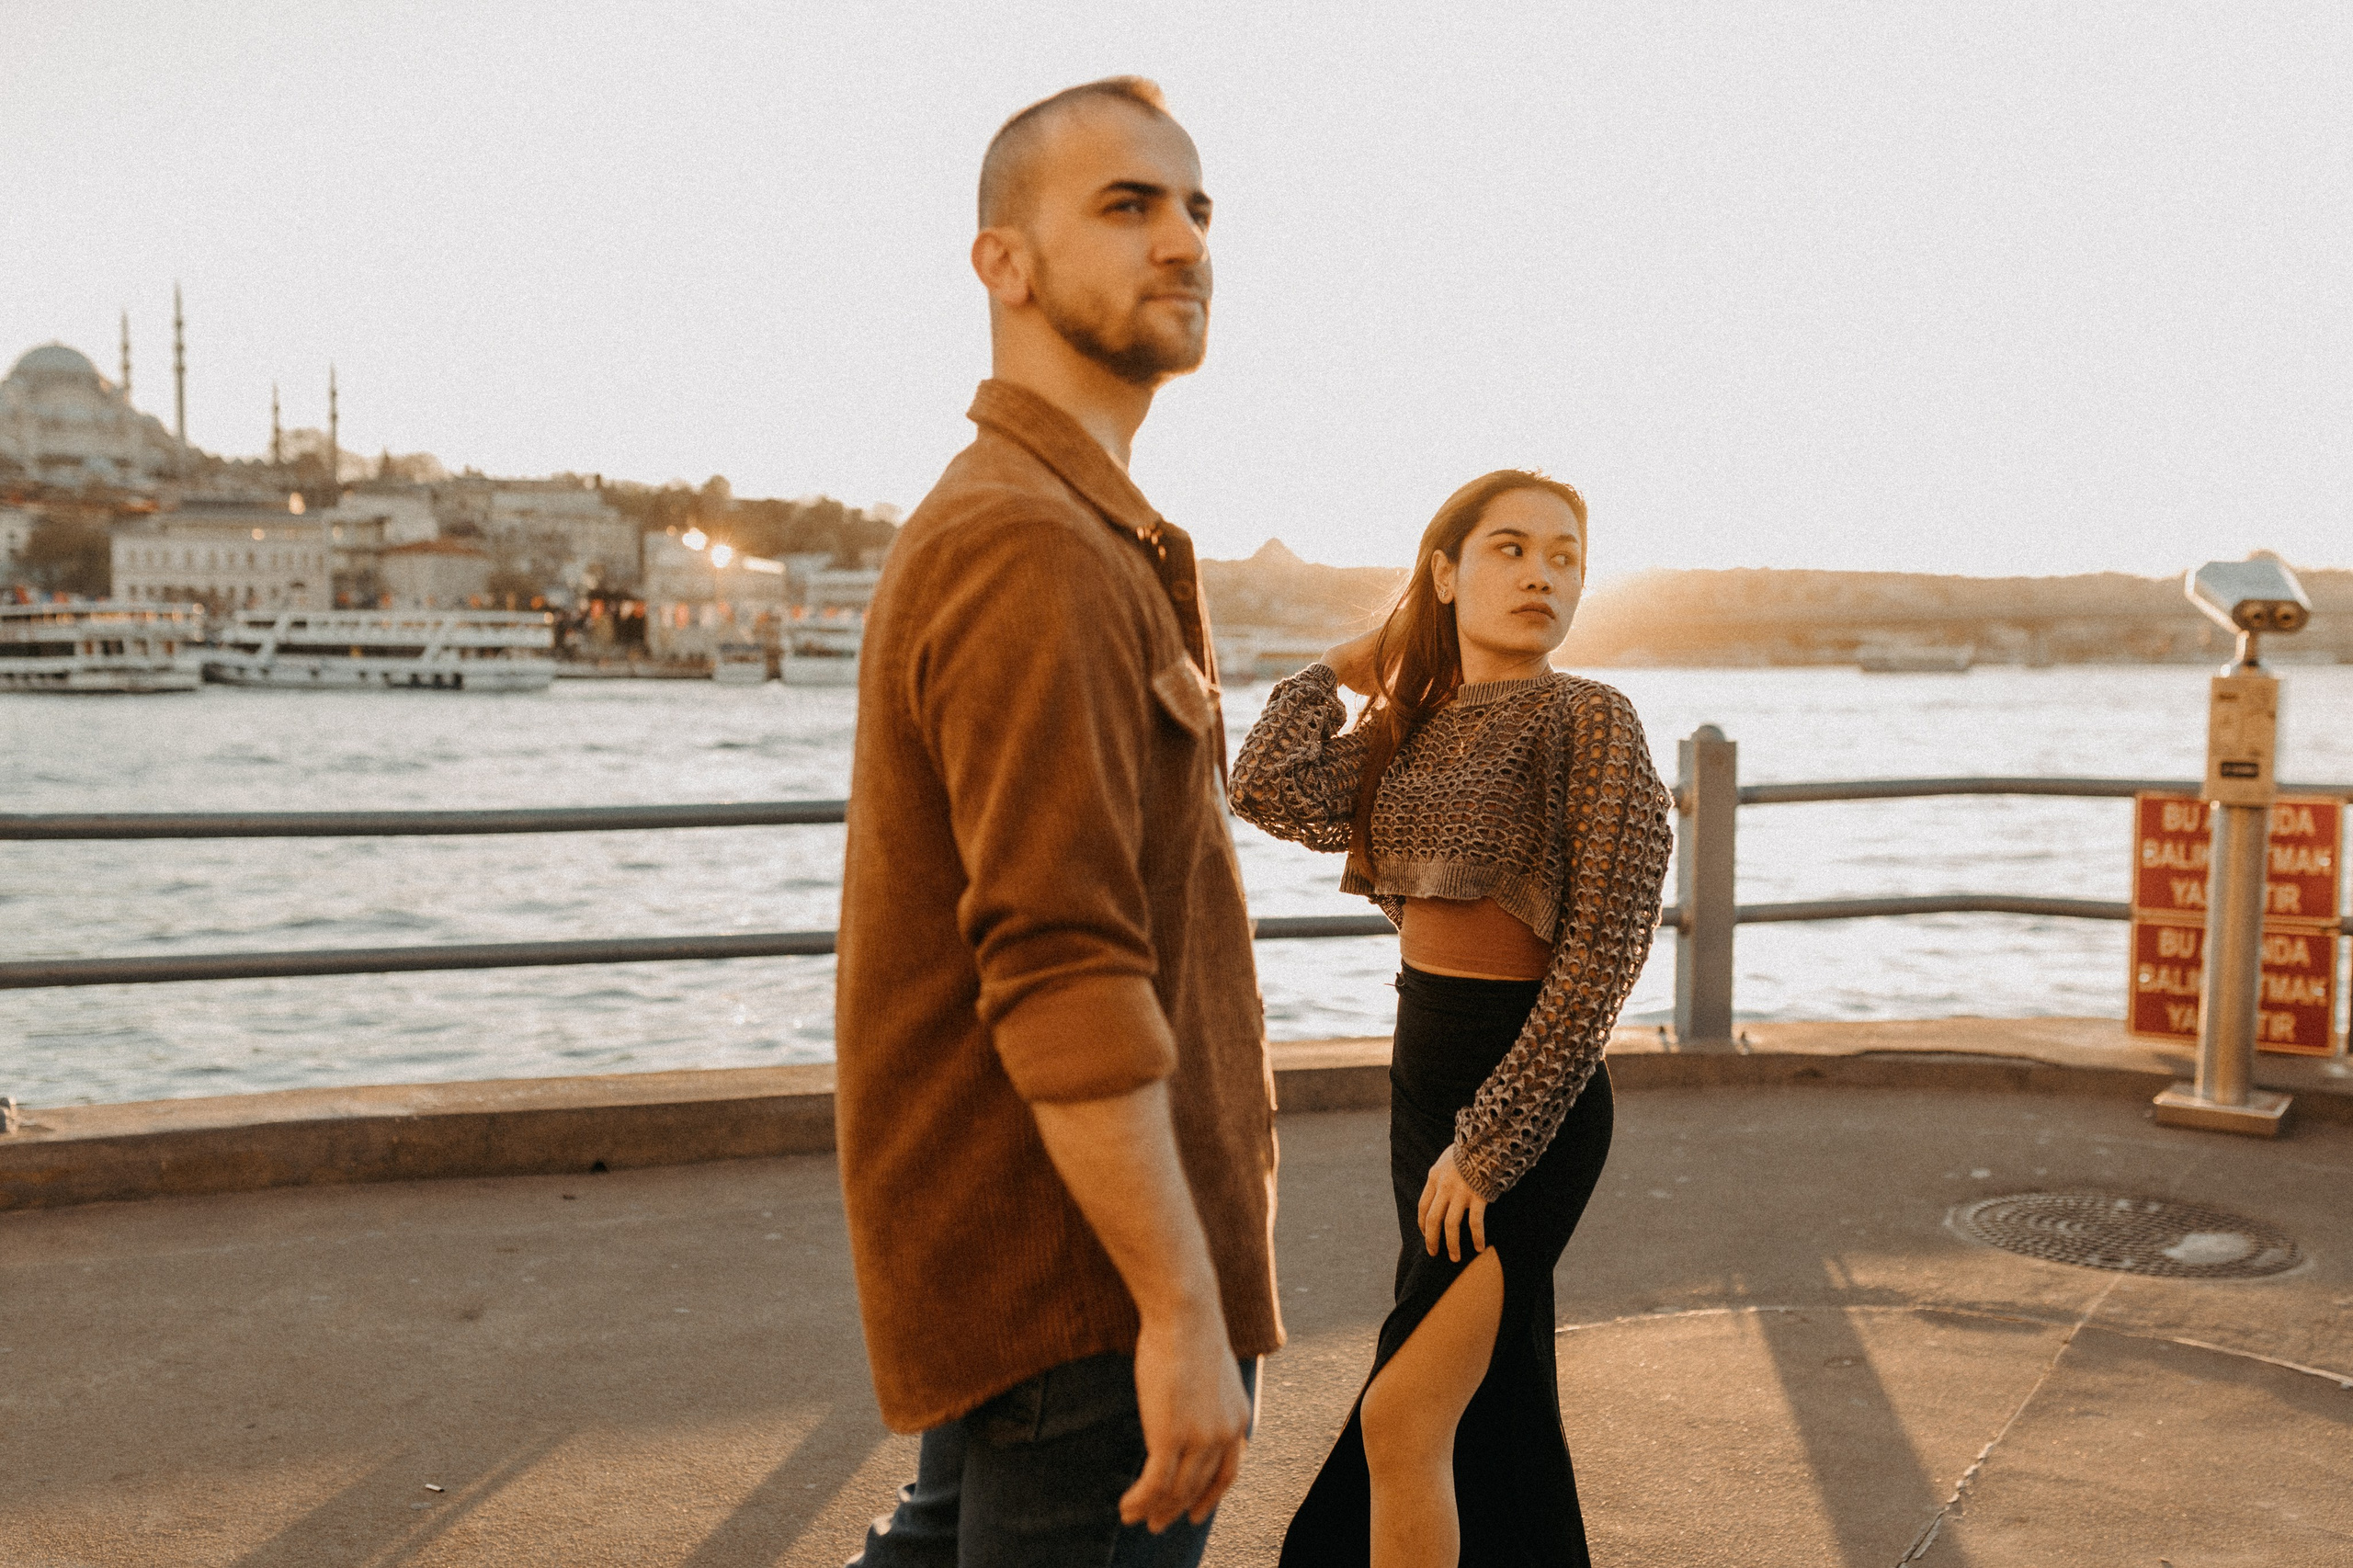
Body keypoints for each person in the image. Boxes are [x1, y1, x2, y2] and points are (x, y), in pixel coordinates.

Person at [835, 77, 1280, 1567]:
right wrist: (1175, 1308)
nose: (1185, 241)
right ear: (1003, 264)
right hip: (1081, 1293)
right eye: (1128, 204)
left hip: (1031, 1265)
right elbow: (1064, 965)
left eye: (1199, 207)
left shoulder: (1057, 520)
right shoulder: (1031, 544)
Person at [1229, 471, 1672, 1567]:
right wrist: (1342, 664)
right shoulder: (1410, 727)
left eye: (1564, 556)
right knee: (1495, 1405)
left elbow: (1604, 954)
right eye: (1510, 548)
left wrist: (1489, 1144)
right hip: (1423, 1084)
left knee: (1405, 1411)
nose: (1540, 573)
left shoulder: (1590, 717)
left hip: (1527, 1101)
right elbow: (1265, 786)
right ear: (1443, 572)